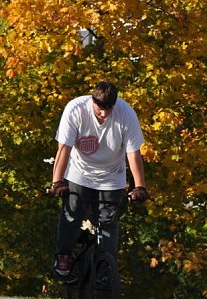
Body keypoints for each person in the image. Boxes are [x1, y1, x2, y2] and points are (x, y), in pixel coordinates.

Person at [47, 81, 150, 277]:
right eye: (100, 108)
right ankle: (63, 256)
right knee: (72, 213)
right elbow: (64, 150)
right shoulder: (76, 109)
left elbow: (133, 153)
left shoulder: (126, 113)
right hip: (80, 173)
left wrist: (140, 186)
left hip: (112, 177)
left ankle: (105, 267)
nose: (104, 114)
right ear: (92, 101)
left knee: (108, 223)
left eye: (109, 108)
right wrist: (57, 182)